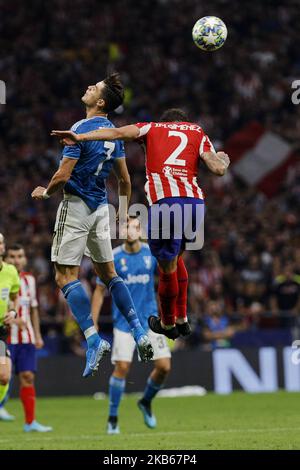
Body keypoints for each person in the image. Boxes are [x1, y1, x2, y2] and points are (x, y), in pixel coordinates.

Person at [52, 108, 230, 341]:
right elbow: (218, 169)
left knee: (166, 267)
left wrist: (81, 137)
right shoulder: (197, 131)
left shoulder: (152, 127)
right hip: (195, 203)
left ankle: (167, 323)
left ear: (165, 122)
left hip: (166, 203)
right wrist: (224, 160)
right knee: (177, 259)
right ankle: (182, 318)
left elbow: (115, 134)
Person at [32, 72, 154, 378]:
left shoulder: (79, 129)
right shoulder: (113, 134)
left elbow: (62, 175)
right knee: (109, 273)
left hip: (76, 206)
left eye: (94, 87)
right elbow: (125, 180)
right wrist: (124, 214)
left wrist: (45, 192)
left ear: (100, 102)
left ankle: (92, 338)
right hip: (102, 207)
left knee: (64, 276)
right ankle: (139, 331)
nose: (88, 86)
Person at [92, 217, 171, 434]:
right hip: (124, 322)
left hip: (150, 320)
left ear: (141, 230)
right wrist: (94, 322)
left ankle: (145, 401)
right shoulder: (113, 258)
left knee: (164, 367)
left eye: (134, 227)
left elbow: (168, 276)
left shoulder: (151, 253)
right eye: (125, 226)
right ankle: (113, 418)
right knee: (122, 368)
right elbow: (99, 291)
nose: (129, 230)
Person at [1, 244, 52, 432]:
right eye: (12, 256)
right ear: (6, 258)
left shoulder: (30, 280)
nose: (16, 259)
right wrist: (12, 321)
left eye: (19, 256)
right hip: (5, 337)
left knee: (28, 376)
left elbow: (33, 309)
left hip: (26, 337)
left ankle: (30, 422)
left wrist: (37, 335)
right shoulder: (3, 277)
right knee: (3, 377)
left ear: (24, 259)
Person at [0, 234, 20, 421]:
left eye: (0, 243)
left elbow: (14, 299)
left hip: (0, 332)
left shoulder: (10, 271)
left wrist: (13, 313)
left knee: (4, 375)